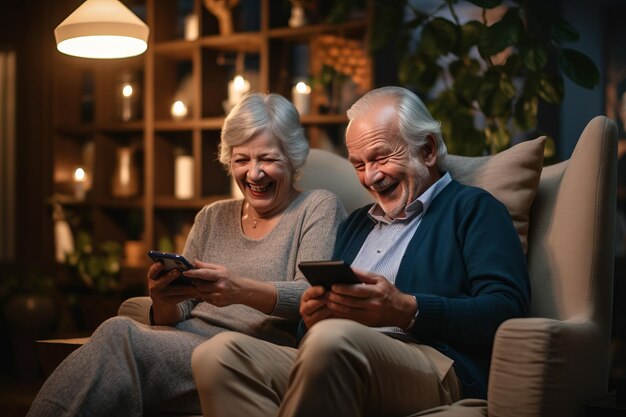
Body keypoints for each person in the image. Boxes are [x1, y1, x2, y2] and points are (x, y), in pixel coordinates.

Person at [191, 86, 531, 417]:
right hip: (334, 354)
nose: (371, 177)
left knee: (332, 340)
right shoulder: (356, 224)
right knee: (218, 354)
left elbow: (507, 309)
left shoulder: (473, 209)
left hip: (433, 364)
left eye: (381, 158)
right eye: (358, 164)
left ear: (427, 150)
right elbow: (312, 334)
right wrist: (311, 317)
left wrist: (407, 310)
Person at [26, 92, 347, 417]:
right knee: (118, 331)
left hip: (248, 352)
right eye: (241, 160)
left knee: (118, 334)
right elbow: (179, 311)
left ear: (292, 158)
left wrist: (238, 290)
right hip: (183, 340)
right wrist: (164, 297)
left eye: (267, 159)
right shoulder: (212, 216)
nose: (254, 173)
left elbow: (313, 294)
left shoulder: (317, 207)